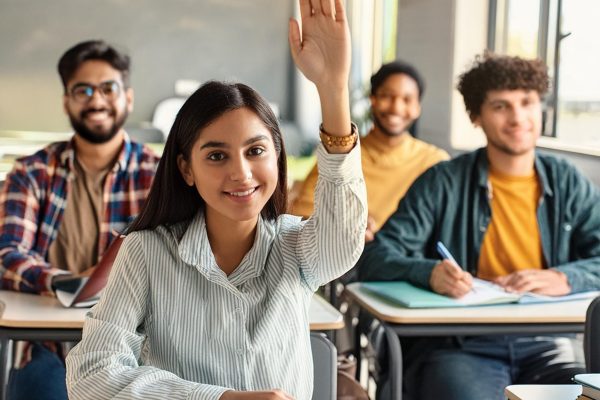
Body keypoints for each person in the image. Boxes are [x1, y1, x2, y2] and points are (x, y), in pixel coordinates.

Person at [65, 1, 367, 399]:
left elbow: (343, 243)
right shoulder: (147, 251)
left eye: (256, 151)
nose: (241, 172)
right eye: (216, 156)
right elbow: (91, 376)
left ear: (277, 156)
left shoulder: (295, 245)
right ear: (186, 169)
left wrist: (333, 89)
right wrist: (219, 399)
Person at [357, 52, 600, 400]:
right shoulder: (442, 181)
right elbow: (376, 255)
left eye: (527, 103)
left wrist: (565, 278)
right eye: (501, 106)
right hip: (460, 345)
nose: (518, 117)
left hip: (550, 341)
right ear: (476, 117)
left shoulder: (567, 182)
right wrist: (430, 273)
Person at [0, 40, 160, 399]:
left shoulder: (158, 176)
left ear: (128, 98)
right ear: (66, 101)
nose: (96, 100)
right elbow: (7, 253)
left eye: (108, 88)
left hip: (134, 348)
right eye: (83, 90)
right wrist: (67, 283)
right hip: (47, 346)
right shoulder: (32, 172)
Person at [291, 60, 448, 241]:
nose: (396, 108)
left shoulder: (434, 162)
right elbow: (300, 217)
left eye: (407, 100)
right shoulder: (342, 155)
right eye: (387, 96)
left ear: (417, 108)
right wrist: (344, 225)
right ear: (372, 100)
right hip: (348, 259)